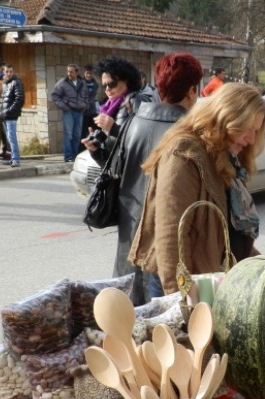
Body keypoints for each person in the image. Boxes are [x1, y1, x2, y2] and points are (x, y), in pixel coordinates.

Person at [83, 52, 203, 303]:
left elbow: (114, 167)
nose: (107, 89)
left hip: (131, 224)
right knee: (165, 314)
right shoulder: (191, 132)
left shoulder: (133, 122)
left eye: (110, 84)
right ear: (193, 90)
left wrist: (97, 153)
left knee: (131, 307)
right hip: (167, 236)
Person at [129, 83, 265, 296]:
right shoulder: (183, 154)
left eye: (255, 131)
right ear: (226, 118)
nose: (250, 139)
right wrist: (179, 299)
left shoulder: (226, 157)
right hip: (183, 285)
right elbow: (170, 235)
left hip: (211, 279)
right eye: (247, 129)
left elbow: (233, 232)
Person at [86, 56, 150, 148]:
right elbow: (108, 157)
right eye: (104, 86)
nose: (107, 89)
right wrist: (95, 150)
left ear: (127, 81)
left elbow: (145, 139)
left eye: (112, 84)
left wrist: (114, 129)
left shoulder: (136, 100)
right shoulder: (107, 107)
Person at [51, 64, 89, 162]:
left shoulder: (82, 83)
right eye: (68, 71)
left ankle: (75, 156)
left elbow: (86, 96)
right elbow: (55, 96)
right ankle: (68, 157)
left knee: (77, 135)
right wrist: (64, 106)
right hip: (68, 111)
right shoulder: (62, 83)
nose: (69, 73)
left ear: (77, 72)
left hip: (80, 112)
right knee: (68, 134)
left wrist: (85, 105)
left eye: (71, 72)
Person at [0, 64, 24, 167]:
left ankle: (16, 159)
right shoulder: (5, 83)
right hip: (4, 115)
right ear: (4, 72)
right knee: (9, 139)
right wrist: (1, 112)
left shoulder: (16, 82)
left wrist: (9, 111)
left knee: (12, 138)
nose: (9, 73)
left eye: (10, 71)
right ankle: (13, 158)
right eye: (7, 71)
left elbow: (19, 98)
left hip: (11, 116)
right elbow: (3, 99)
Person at [80, 65, 100, 148]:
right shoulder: (80, 83)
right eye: (87, 73)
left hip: (93, 111)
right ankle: (80, 150)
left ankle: (93, 148)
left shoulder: (96, 84)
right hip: (83, 111)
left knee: (94, 131)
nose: (89, 75)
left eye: (90, 73)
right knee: (83, 132)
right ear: (84, 73)